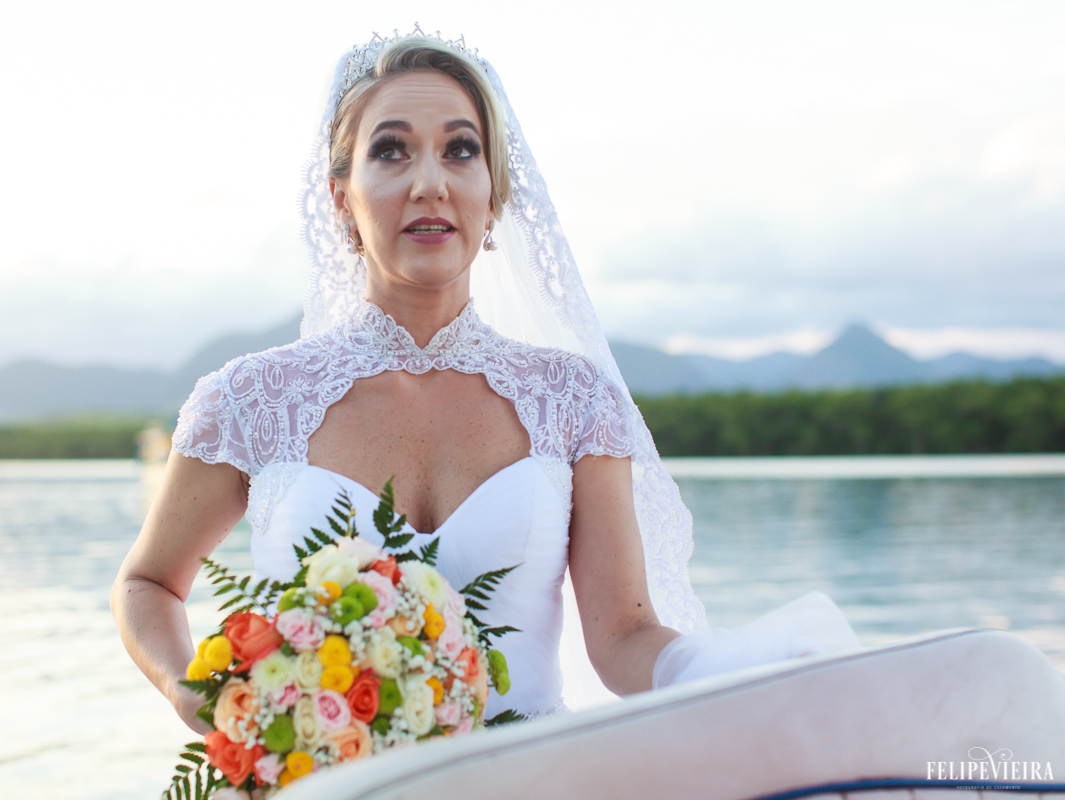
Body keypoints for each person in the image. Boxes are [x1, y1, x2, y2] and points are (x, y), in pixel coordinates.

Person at [112, 29, 857, 733]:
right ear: (342, 197)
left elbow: (624, 638)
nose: (429, 183)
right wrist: (205, 698)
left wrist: (737, 670)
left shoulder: (571, 402)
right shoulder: (252, 401)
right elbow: (147, 584)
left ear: (495, 195)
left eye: (460, 151)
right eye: (393, 152)